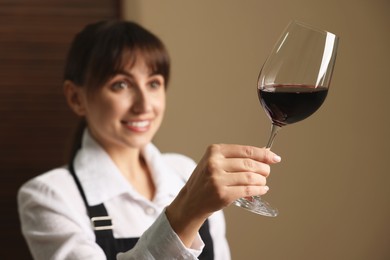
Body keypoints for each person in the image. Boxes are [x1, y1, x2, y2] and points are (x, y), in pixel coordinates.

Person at [17, 20, 281, 260]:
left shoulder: (186, 171)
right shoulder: (50, 196)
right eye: (121, 84)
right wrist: (188, 211)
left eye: (153, 83)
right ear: (76, 98)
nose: (144, 105)